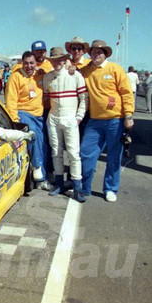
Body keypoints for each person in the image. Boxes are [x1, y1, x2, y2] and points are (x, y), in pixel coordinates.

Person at [80, 40, 134, 202]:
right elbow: (73, 73)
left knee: (114, 156)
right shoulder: (85, 71)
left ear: (105, 54)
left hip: (115, 120)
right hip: (95, 121)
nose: (95, 55)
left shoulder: (115, 69)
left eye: (99, 52)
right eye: (93, 52)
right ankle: (84, 186)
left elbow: (126, 93)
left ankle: (110, 188)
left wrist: (129, 115)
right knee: (86, 153)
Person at [43, 47, 88, 202]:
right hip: (53, 119)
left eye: (59, 59)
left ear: (65, 60)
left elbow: (84, 98)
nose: (56, 62)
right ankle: (60, 185)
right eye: (53, 60)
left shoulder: (75, 75)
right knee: (56, 152)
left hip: (70, 118)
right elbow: (45, 99)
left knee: (74, 154)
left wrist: (78, 117)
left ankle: (77, 188)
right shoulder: (47, 78)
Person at [5, 51, 50, 190]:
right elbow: (10, 101)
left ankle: (43, 174)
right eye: (26, 63)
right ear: (22, 63)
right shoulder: (15, 77)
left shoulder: (40, 75)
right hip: (23, 113)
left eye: (32, 63)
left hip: (39, 116)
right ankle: (38, 171)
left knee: (43, 145)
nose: (29, 66)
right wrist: (15, 120)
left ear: (36, 63)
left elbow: (53, 70)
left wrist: (42, 70)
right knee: (33, 136)